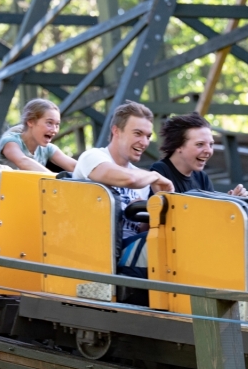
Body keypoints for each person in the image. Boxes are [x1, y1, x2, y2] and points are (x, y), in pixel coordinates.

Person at [73, 101, 174, 277]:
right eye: (137, 134)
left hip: (128, 251)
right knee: (171, 247)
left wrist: (159, 203)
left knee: (172, 241)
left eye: (148, 136)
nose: (144, 142)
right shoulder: (93, 157)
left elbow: (142, 230)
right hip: (96, 251)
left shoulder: (141, 179)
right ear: (116, 131)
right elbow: (129, 179)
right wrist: (155, 176)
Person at [150, 112, 247, 196]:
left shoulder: (202, 177)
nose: (208, 151)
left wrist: (232, 200)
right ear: (179, 145)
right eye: (200, 144)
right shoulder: (160, 171)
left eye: (211, 144)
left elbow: (208, 209)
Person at [0, 98, 77, 173]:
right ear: (31, 121)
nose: (54, 130)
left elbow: (74, 166)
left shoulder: (47, 149)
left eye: (57, 124)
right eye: (49, 123)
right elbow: (23, 162)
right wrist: (54, 179)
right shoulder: (10, 142)